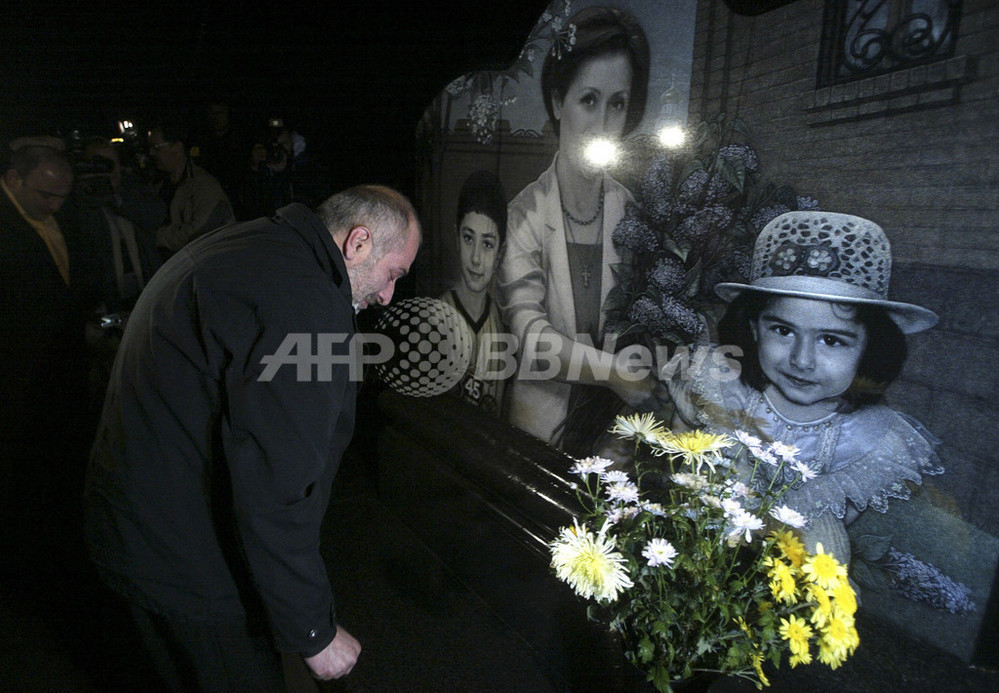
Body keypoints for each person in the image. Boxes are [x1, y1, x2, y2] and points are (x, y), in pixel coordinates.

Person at [85, 185, 421, 689]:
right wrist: (314, 631)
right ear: (358, 243)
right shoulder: (305, 306)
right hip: (184, 565)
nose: (387, 295)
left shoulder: (254, 245)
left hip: (132, 532)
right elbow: (276, 486)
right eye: (392, 274)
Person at [668, 210, 943, 570]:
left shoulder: (872, 439)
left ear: (869, 348)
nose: (802, 360)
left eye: (831, 340)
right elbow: (676, 461)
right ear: (753, 329)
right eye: (782, 330)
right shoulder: (717, 385)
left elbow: (828, 535)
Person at [498, 6, 661, 453]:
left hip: (615, 441)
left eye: (617, 104)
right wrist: (613, 372)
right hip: (541, 433)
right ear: (557, 102)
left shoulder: (632, 211)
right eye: (588, 100)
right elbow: (530, 338)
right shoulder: (525, 215)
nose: (603, 123)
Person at [0, 141, 95, 570]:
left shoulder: (60, 216)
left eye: (63, 196)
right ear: (14, 179)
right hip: (16, 381)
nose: (55, 205)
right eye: (46, 195)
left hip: (60, 374)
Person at [439, 170, 510, 416]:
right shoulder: (435, 319)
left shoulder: (503, 324)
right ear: (457, 237)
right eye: (469, 238)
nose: (476, 258)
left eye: (488, 244)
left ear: (500, 252)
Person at [147, 119, 235, 260]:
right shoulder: (158, 185)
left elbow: (202, 232)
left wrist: (154, 236)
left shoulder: (204, 185)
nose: (151, 153)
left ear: (177, 147)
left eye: (157, 147)